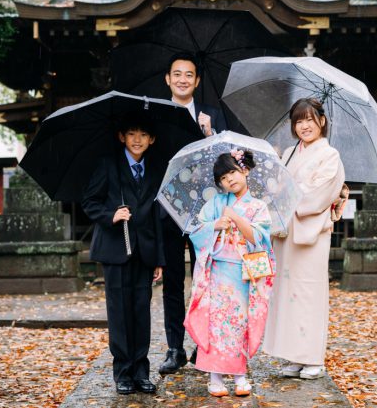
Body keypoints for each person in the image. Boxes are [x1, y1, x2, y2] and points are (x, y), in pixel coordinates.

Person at [263, 98, 345, 380]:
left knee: (308, 293)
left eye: (310, 119)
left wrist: (287, 188)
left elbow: (318, 193)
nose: (304, 126)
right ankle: (294, 356)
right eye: (299, 121)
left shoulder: (330, 155)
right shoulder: (288, 152)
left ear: (321, 121)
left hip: (310, 232)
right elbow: (276, 186)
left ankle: (313, 357)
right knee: (287, 295)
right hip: (286, 232)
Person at [81, 117, 165, 395]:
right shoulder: (108, 165)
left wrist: (159, 259)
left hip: (145, 252)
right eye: (131, 134)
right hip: (115, 249)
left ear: (152, 139)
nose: (137, 139)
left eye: (143, 134)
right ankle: (123, 372)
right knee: (119, 313)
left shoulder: (155, 169)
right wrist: (110, 215)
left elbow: (157, 216)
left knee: (142, 312)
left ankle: (142, 371)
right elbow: (89, 202)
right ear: (122, 137)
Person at [184, 149, 274, 397]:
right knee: (216, 323)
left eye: (233, 172)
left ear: (245, 170)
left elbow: (259, 238)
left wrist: (234, 216)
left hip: (244, 273)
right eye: (223, 178)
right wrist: (215, 225)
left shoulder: (258, 206)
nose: (229, 180)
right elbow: (196, 232)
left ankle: (240, 375)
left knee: (240, 322)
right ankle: (214, 377)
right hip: (218, 271)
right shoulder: (215, 203)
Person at [159, 52, 227, 374]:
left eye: (189, 75)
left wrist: (210, 135)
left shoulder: (212, 114)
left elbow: (227, 162)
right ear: (168, 80)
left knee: (206, 279)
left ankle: (205, 346)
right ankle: (175, 347)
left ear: (197, 81)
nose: (183, 79)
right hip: (170, 212)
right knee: (173, 282)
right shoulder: (157, 114)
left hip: (206, 212)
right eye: (177, 74)